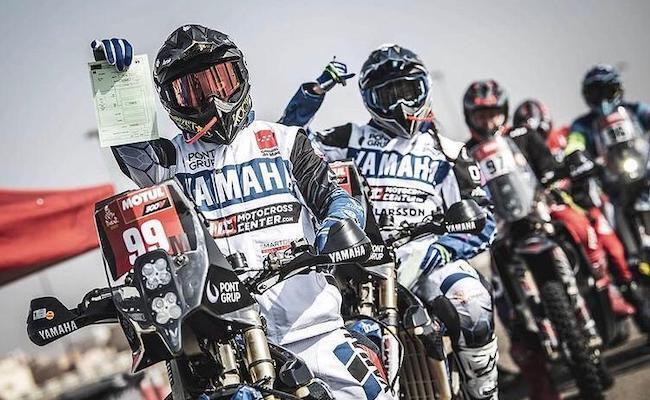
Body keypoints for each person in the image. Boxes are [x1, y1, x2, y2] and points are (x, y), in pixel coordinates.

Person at [91, 26, 393, 400]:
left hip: (312, 331)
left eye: (220, 81)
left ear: (241, 76)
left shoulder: (284, 140)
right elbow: (132, 151)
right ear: (171, 101)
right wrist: (118, 85)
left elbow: (334, 197)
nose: (213, 101)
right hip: (226, 349)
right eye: (192, 91)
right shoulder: (168, 160)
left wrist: (339, 223)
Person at [280, 44, 499, 400]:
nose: (400, 105)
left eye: (408, 91)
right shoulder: (347, 138)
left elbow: (484, 217)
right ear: (370, 99)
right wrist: (314, 92)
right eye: (388, 94)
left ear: (424, 88)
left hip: (426, 257)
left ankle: (482, 393)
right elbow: (284, 145)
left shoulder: (450, 151)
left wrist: (445, 249)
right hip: (358, 263)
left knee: (472, 302)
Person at [461, 81, 593, 400]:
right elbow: (462, 193)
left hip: (536, 215)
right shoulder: (464, 154)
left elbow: (547, 165)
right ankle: (541, 384)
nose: (487, 121)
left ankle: (596, 287)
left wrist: (561, 171)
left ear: (504, 112)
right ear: (469, 117)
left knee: (577, 227)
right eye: (480, 115)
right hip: (500, 231)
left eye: (493, 114)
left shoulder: (522, 136)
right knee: (505, 305)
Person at [515, 99, 650, 334]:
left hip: (587, 205)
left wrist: (583, 159)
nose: (536, 137)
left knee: (616, 250)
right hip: (554, 212)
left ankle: (631, 293)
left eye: (538, 130)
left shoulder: (566, 135)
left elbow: (581, 146)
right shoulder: (523, 155)